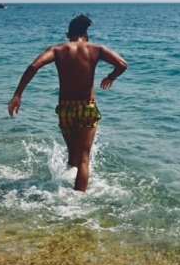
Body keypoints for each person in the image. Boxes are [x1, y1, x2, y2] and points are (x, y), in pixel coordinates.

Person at [8, 14, 127, 192]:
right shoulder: (96, 49)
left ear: (68, 34)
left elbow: (34, 66)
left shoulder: (57, 50)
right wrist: (110, 77)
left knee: (73, 155)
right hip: (86, 107)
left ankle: (64, 191)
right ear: (85, 35)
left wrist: (17, 94)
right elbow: (122, 64)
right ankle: (76, 203)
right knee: (84, 159)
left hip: (65, 109)